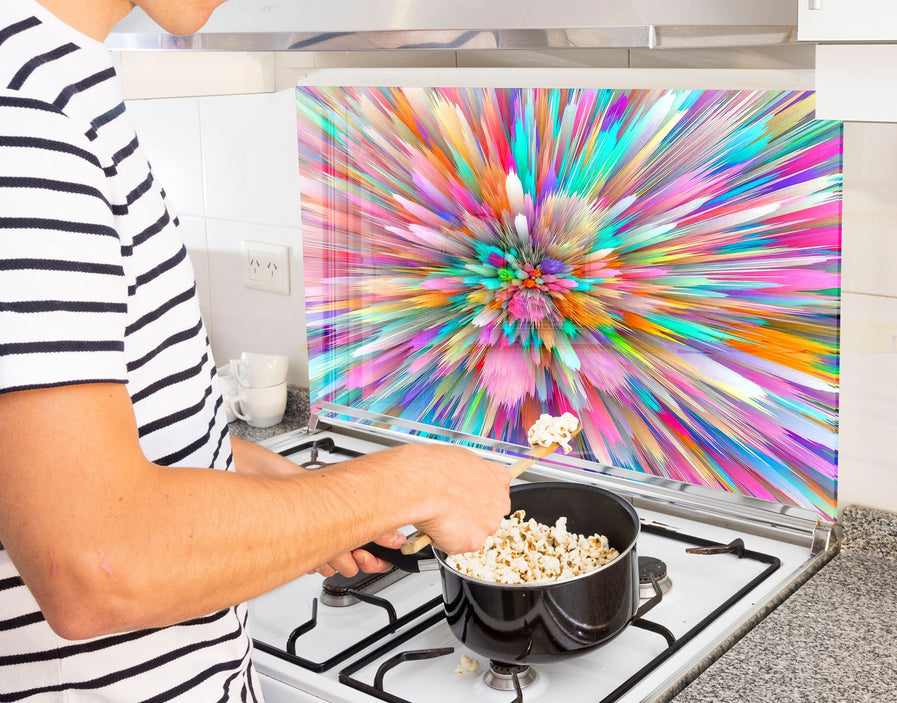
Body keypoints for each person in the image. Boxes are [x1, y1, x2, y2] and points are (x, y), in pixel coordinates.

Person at [0, 0, 513, 699]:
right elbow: (97, 563)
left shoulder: (55, 79)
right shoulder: (24, 116)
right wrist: (416, 479)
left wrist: (293, 497)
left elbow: (73, 455)